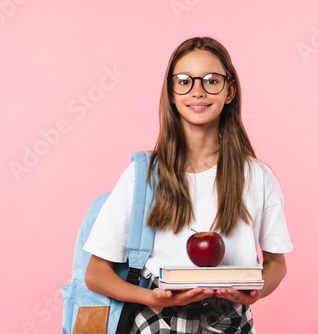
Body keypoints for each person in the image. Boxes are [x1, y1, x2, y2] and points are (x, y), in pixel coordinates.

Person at [83, 36, 293, 334]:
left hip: (231, 320)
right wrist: (152, 297)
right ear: (171, 92)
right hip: (157, 319)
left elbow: (276, 263)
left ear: (229, 90)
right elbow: (96, 274)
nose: (197, 91)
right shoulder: (143, 175)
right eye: (184, 81)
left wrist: (256, 291)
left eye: (211, 80)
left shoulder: (257, 176)